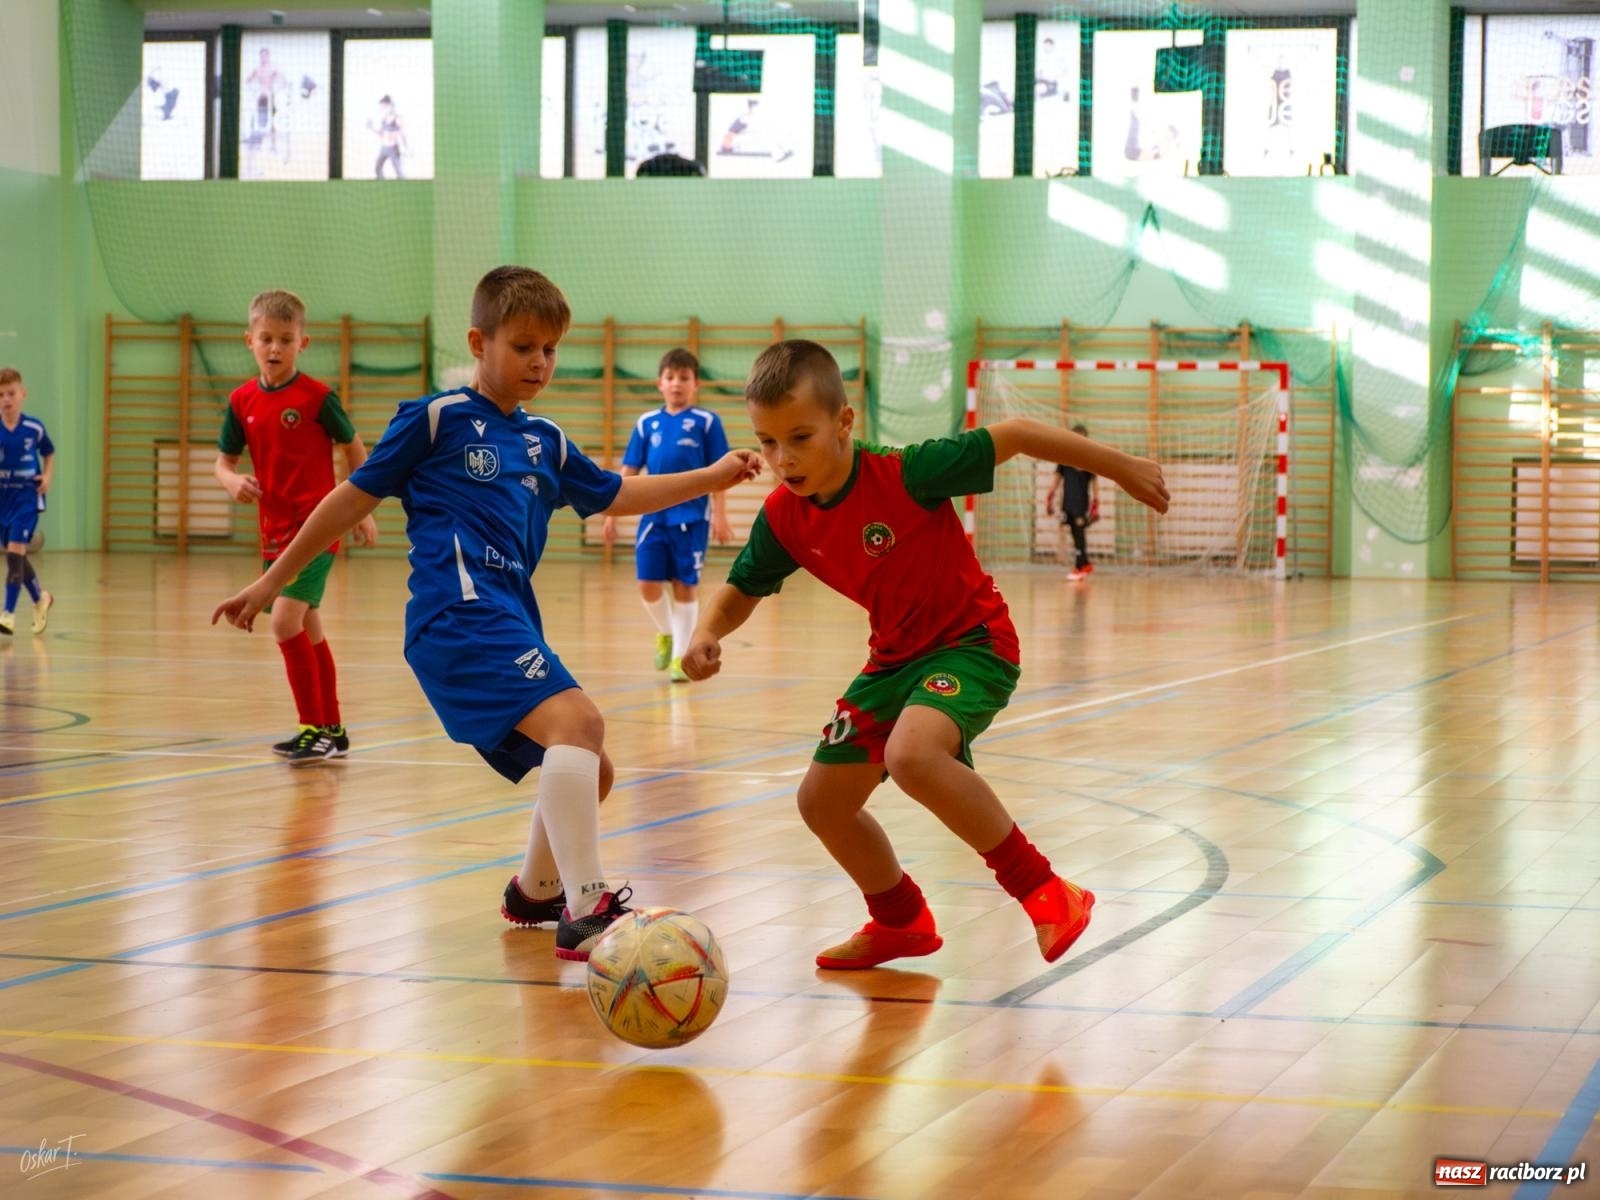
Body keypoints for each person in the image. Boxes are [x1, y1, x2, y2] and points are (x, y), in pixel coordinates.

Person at [213, 266, 760, 960]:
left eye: (550, 350)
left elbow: (617, 495)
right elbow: (350, 497)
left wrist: (713, 477)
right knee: (580, 723)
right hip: (456, 614)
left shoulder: (546, 440)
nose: (539, 362)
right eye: (523, 346)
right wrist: (273, 579)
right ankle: (586, 912)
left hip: (507, 615)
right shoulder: (435, 419)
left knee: (590, 769)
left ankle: (534, 892)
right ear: (479, 343)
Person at [682, 340, 1169, 969]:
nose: (783, 459)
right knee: (821, 803)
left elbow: (1018, 433)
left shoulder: (908, 472)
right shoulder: (784, 516)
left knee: (912, 755)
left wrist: (1121, 466)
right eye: (767, 442)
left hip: (972, 643)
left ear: (844, 421)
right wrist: (707, 630)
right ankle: (901, 921)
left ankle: (1047, 891)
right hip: (892, 660)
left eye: (799, 437)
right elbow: (742, 587)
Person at [214, 290, 379, 764]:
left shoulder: (317, 398)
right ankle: (332, 729)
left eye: (286, 339)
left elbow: (355, 448)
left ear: (302, 343)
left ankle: (313, 729)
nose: (275, 347)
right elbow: (223, 463)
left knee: (284, 621)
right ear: (249, 340)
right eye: (266, 338)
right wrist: (232, 481)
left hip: (316, 529)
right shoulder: (241, 401)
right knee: (308, 628)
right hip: (273, 531)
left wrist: (361, 507)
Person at [602, 349, 733, 681]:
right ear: (659, 383)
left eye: (684, 378)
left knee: (684, 587)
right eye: (670, 377)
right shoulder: (646, 423)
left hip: (692, 518)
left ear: (695, 384)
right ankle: (666, 632)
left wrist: (721, 515)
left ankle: (679, 658)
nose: (677, 383)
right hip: (653, 517)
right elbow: (629, 470)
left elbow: (720, 473)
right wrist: (611, 515)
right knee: (647, 584)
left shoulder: (707, 422)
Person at [0, 367, 54, 637]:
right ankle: (40, 598)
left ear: (23, 394)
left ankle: (7, 614)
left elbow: (49, 451)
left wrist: (47, 476)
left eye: (11, 393)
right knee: (17, 556)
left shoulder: (34, 428)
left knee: (14, 555)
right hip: (3, 500)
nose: (6, 399)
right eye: (1, 395)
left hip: (26, 498)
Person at [1044, 424, 1099, 581]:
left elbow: (1094, 481)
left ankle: (1082, 566)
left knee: (1079, 533)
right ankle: (1081, 565)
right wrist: (1050, 497)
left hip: (1081, 504)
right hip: (1067, 502)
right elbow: (1056, 478)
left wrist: (1095, 503)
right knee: (1074, 534)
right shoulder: (1064, 458)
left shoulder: (1089, 459)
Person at [368, 95, 407, 180]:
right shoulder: (384, 119)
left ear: (390, 105)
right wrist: (371, 127)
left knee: (398, 171)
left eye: (384, 107)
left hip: (393, 148)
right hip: (384, 148)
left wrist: (406, 148)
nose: (383, 109)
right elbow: (381, 134)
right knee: (377, 168)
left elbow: (403, 133)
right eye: (381, 107)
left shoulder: (397, 118)